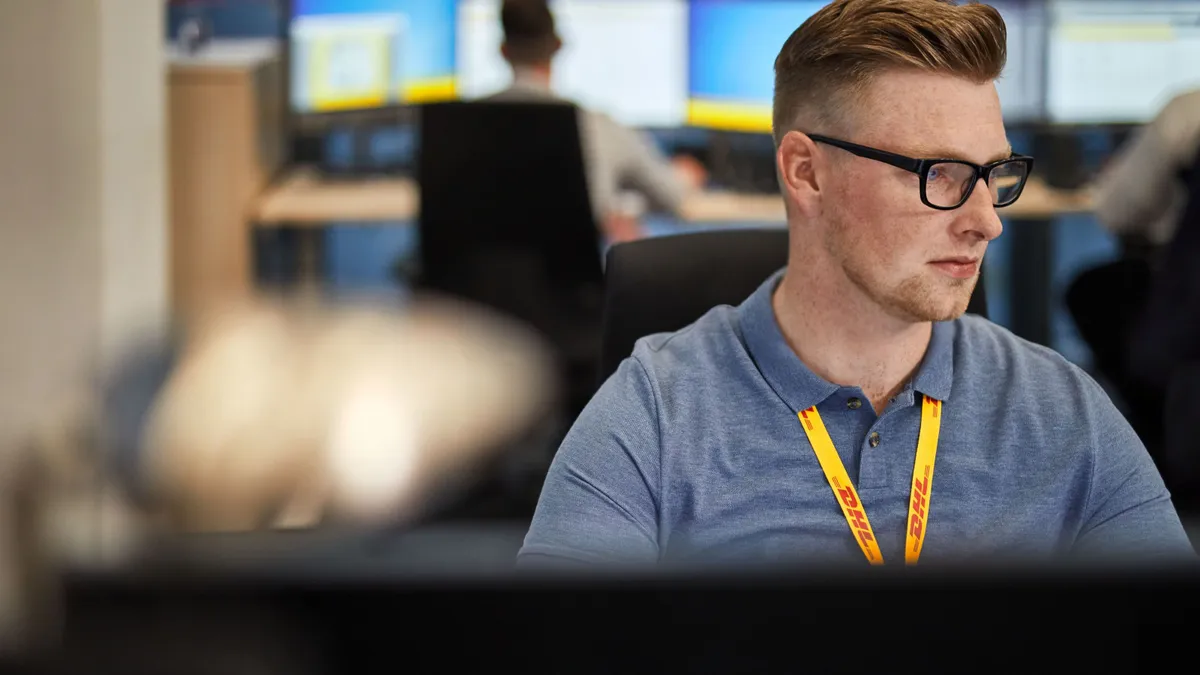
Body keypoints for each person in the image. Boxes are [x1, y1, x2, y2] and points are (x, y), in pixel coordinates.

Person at [518, 0, 1195, 567]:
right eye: (941, 174)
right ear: (806, 173)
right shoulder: (654, 417)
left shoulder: (1063, 413)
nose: (987, 222)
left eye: (994, 174)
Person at [484, 0, 706, 243]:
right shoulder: (596, 125)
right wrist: (685, 176)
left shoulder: (461, 128)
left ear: (502, 51)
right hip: (571, 279)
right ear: (558, 46)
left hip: (470, 281)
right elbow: (671, 196)